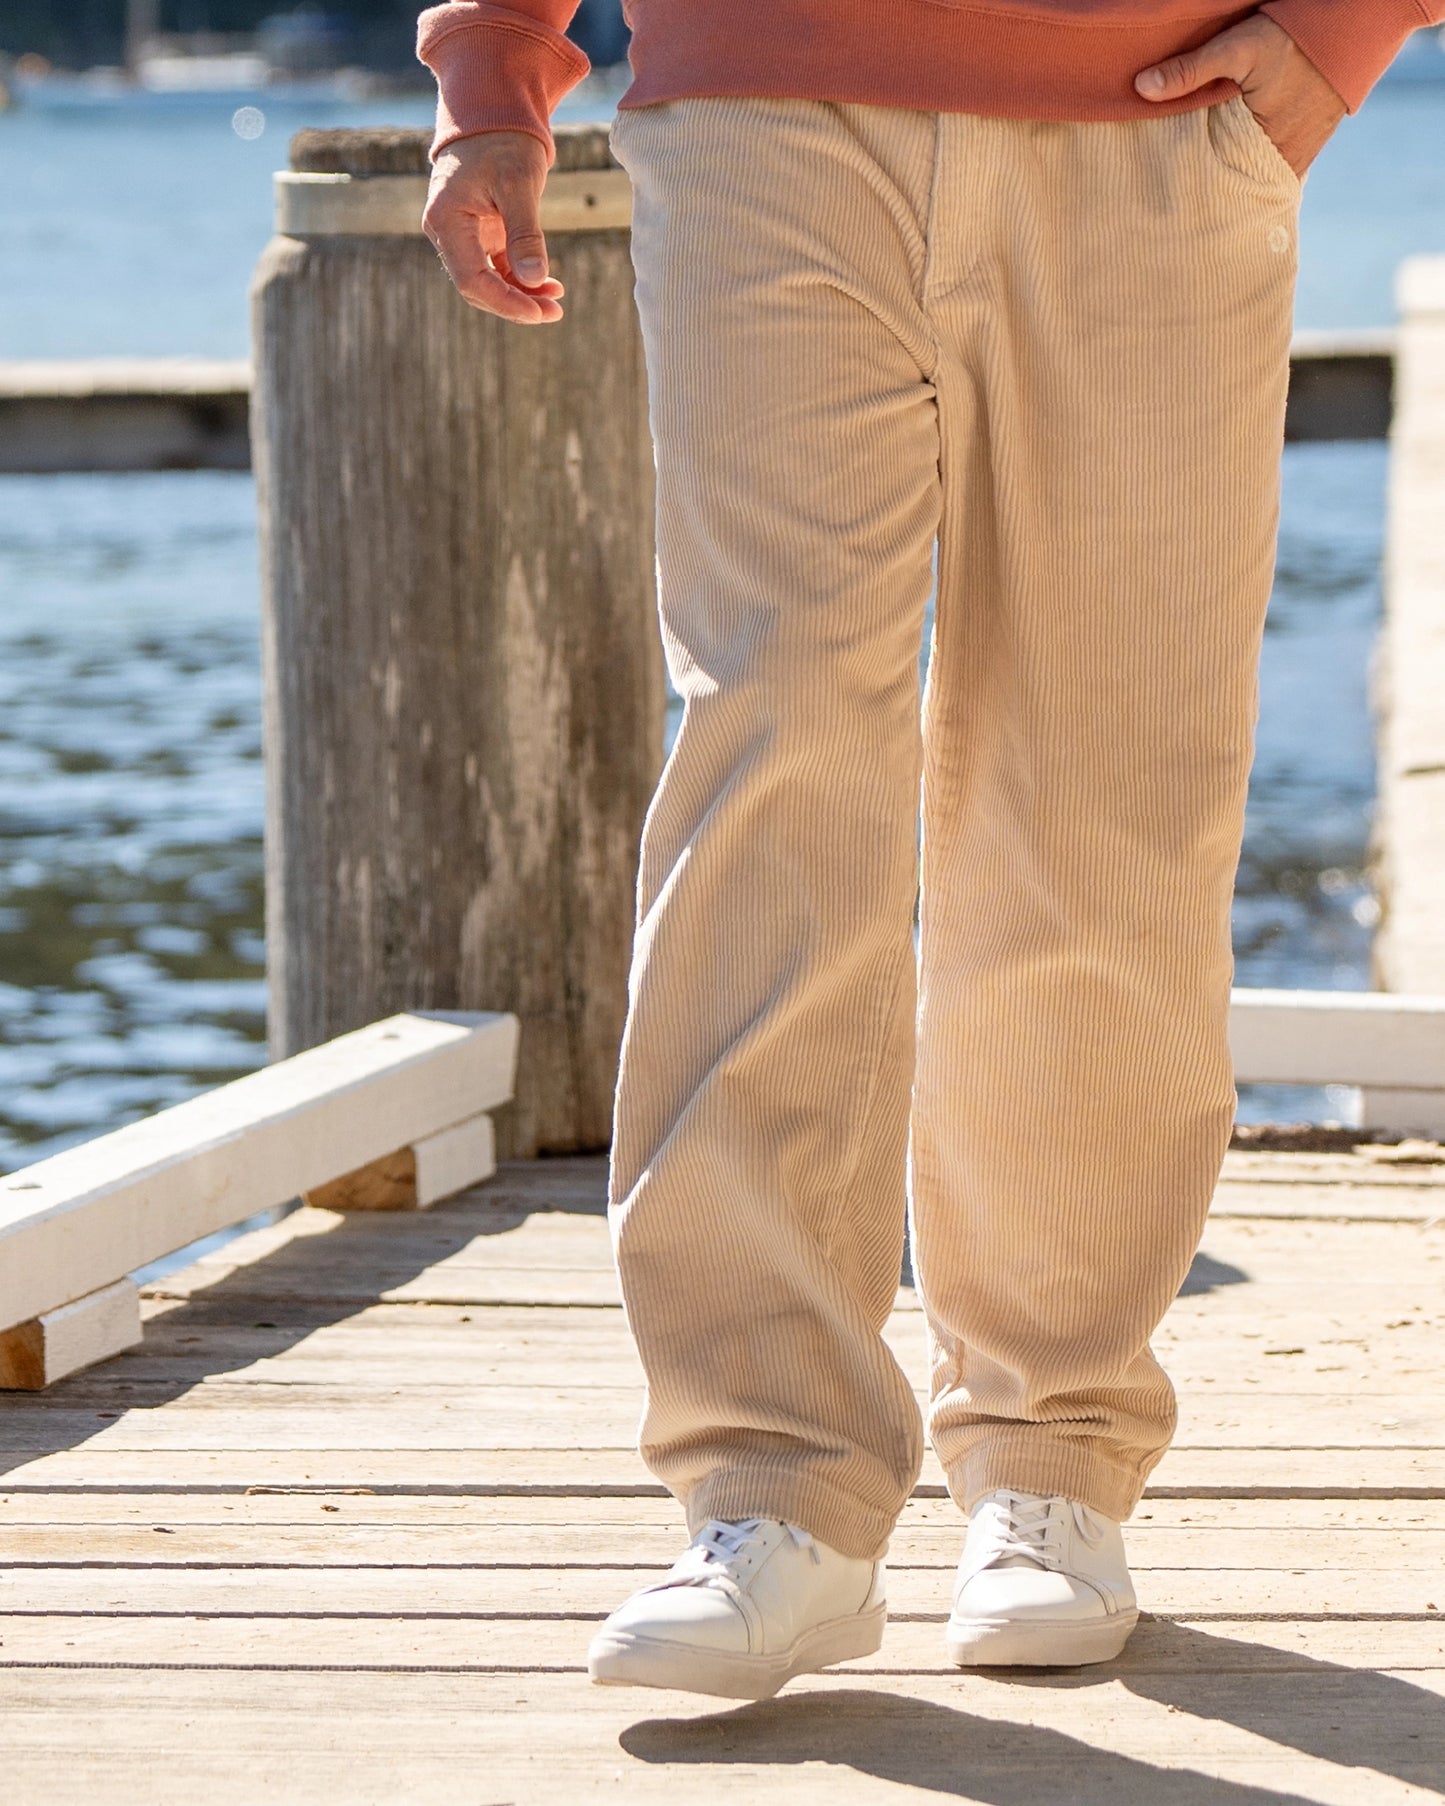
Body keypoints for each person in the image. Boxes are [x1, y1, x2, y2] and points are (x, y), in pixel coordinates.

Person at [417, 0, 1440, 1701]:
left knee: (1100, 788)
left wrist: (1337, 33)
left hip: (1158, 113)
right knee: (774, 746)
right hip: (760, 98)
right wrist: (494, 69)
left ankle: (1048, 1461)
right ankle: (771, 1490)